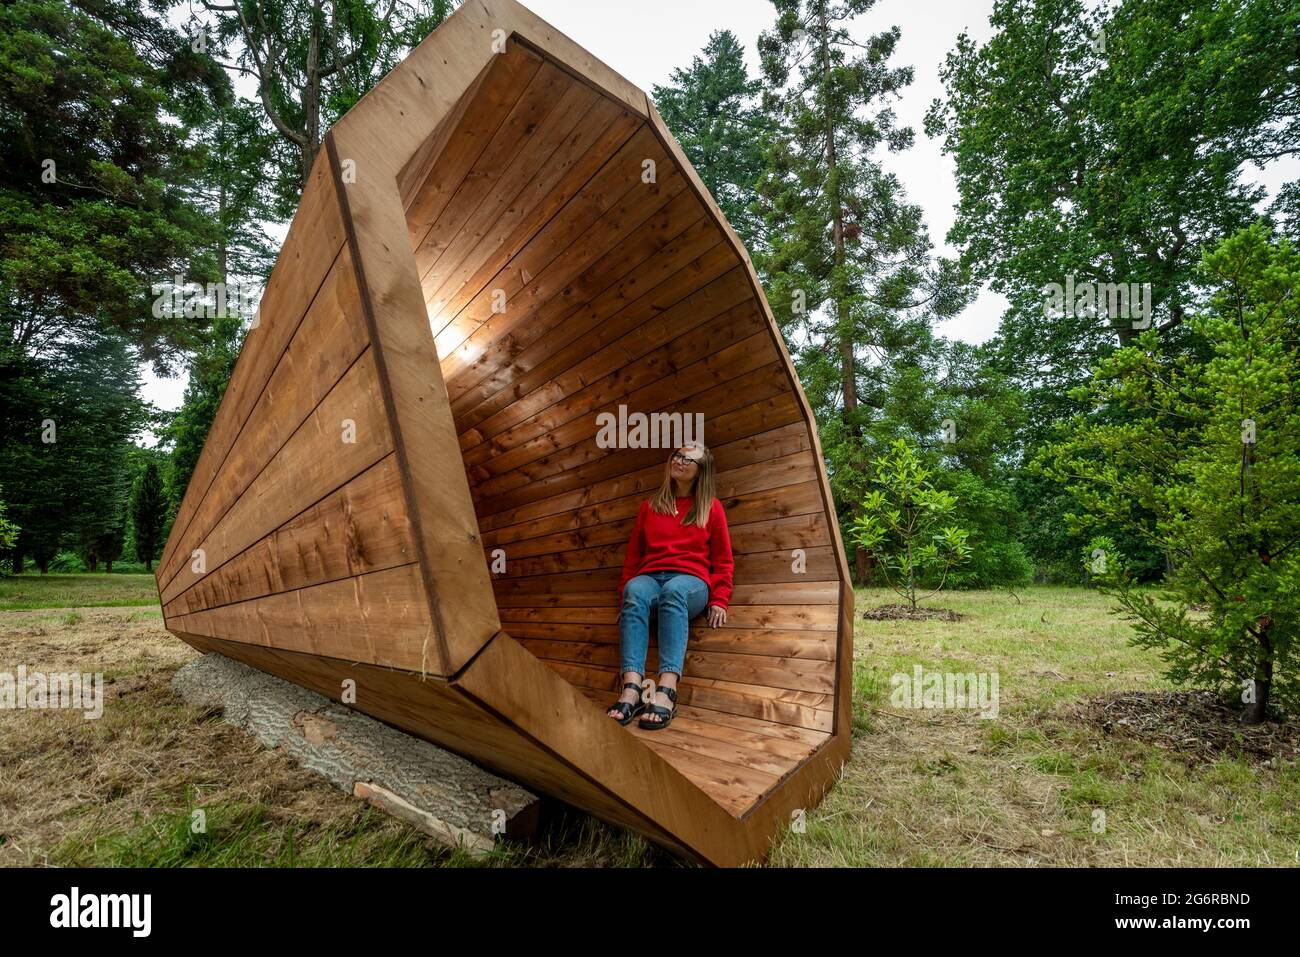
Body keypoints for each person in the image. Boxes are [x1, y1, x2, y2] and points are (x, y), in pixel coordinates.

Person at [605, 443, 734, 730]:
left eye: (689, 459)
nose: (680, 460)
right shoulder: (650, 506)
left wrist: (720, 599)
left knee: (673, 590)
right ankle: (632, 690)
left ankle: (666, 689)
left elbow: (723, 560)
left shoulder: (711, 508)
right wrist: (624, 600)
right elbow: (633, 558)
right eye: (678, 455)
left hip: (691, 582)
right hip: (651, 577)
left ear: (701, 471)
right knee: (636, 590)